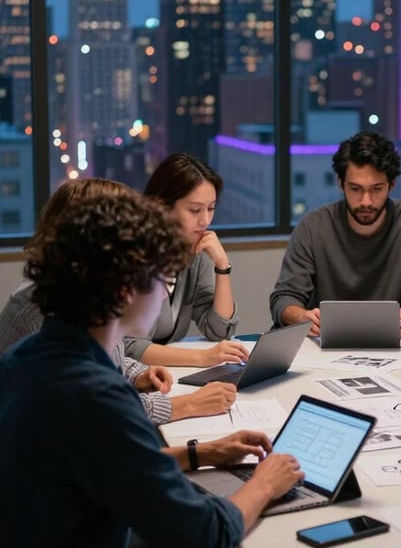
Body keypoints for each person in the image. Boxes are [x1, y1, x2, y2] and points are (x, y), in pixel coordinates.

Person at [0, 188, 312, 548]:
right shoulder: (96, 396)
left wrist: (201, 453)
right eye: (163, 279)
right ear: (126, 290)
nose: (167, 290)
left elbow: (102, 467)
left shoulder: (28, 360)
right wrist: (265, 486)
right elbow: (203, 538)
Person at [0, 178, 236, 425]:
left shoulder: (83, 294)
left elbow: (112, 359)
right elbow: (99, 406)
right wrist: (189, 404)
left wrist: (137, 375)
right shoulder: (43, 309)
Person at [270, 131, 401, 337]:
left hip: (396, 344)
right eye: (356, 189)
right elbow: (284, 299)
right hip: (322, 345)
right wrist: (302, 317)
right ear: (341, 183)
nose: (366, 201)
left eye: (376, 188)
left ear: (392, 185)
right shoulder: (312, 227)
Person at [125, 152, 250, 368]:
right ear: (161, 206)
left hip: (164, 377)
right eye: (194, 210)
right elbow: (128, 346)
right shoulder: (133, 254)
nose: (205, 220)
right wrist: (203, 358)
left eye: (211, 208)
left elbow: (219, 330)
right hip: (131, 380)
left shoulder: (195, 252)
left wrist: (222, 266)